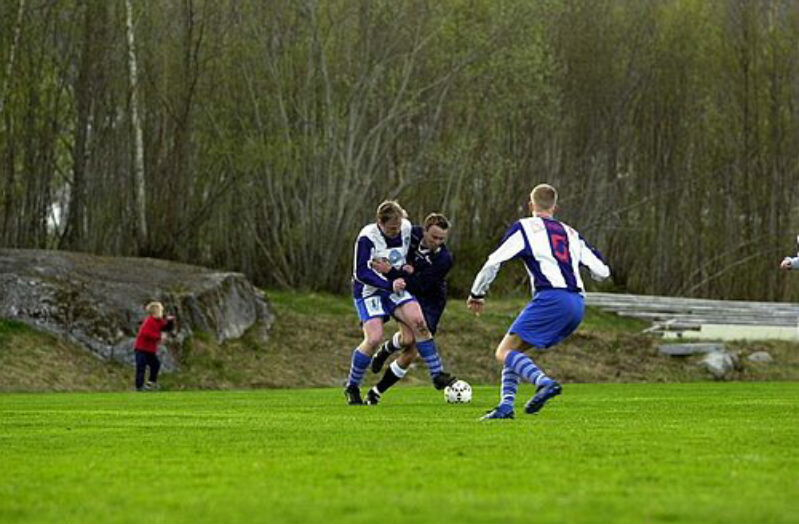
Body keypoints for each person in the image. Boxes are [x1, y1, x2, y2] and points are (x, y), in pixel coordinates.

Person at [467, 183, 610, 420]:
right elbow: (602, 272)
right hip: (577, 304)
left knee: (503, 351)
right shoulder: (571, 232)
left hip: (552, 298)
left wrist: (477, 293)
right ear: (555, 207)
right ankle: (506, 407)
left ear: (530, 204)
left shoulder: (524, 227)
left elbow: (494, 261)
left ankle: (544, 382)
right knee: (514, 352)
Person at [345, 201, 455, 405]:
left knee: (418, 322)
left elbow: (409, 258)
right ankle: (352, 386)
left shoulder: (407, 228)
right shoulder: (367, 237)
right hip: (370, 291)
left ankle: (437, 374)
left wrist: (404, 269)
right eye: (391, 229)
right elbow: (360, 272)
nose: (395, 232)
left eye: (398, 227)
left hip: (396, 286)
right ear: (380, 223)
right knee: (374, 338)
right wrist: (388, 282)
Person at [133, 301, 175, 391]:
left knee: (155, 364)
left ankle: (151, 382)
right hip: (141, 349)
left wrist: (170, 321)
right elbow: (146, 333)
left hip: (150, 350)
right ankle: (139, 386)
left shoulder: (159, 321)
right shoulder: (150, 321)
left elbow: (166, 328)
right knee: (141, 367)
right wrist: (159, 337)